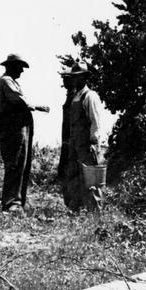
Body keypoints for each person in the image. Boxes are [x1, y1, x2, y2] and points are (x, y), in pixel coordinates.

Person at [0, 54, 49, 215]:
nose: (22, 71)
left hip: (20, 126)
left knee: (22, 163)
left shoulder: (12, 82)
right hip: (12, 126)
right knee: (15, 162)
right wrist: (38, 107)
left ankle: (17, 201)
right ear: (11, 67)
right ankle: (12, 203)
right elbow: (19, 101)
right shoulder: (5, 81)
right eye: (19, 67)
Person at [63, 62, 104, 211]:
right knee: (74, 176)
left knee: (91, 178)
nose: (75, 80)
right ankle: (77, 209)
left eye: (78, 77)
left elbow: (96, 121)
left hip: (87, 144)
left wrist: (94, 141)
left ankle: (95, 212)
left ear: (85, 78)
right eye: (73, 77)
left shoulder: (90, 96)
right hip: (75, 144)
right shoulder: (75, 97)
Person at [57, 65, 76, 204]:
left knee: (70, 171)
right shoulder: (70, 95)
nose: (64, 80)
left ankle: (73, 203)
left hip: (73, 141)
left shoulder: (76, 96)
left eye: (67, 78)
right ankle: (69, 202)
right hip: (67, 140)